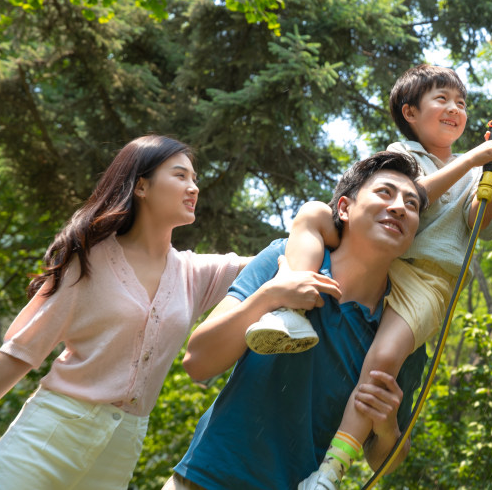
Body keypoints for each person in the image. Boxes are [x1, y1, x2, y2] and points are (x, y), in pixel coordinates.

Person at [245, 64, 492, 489]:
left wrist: (491, 169)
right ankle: (287, 310)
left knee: (382, 363)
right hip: (381, 261)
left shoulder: (471, 168)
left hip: (428, 281)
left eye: (461, 103)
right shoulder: (402, 154)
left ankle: (331, 469)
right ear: (410, 112)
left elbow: (481, 220)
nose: (454, 109)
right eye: (441, 99)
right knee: (316, 216)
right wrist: (475, 159)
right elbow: (416, 197)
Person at [0, 134, 249, 490]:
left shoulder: (194, 274)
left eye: (194, 178)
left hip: (122, 448)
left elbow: (274, 261)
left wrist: (321, 220)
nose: (193, 187)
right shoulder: (88, 260)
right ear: (141, 186)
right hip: (51, 433)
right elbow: (21, 350)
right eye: (180, 175)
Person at [162, 151, 430, 490]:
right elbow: (197, 362)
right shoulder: (283, 259)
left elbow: (384, 460)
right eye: (385, 193)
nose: (399, 208)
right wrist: (272, 295)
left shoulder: (403, 331)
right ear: (344, 208)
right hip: (202, 480)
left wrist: (388, 428)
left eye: (412, 204)